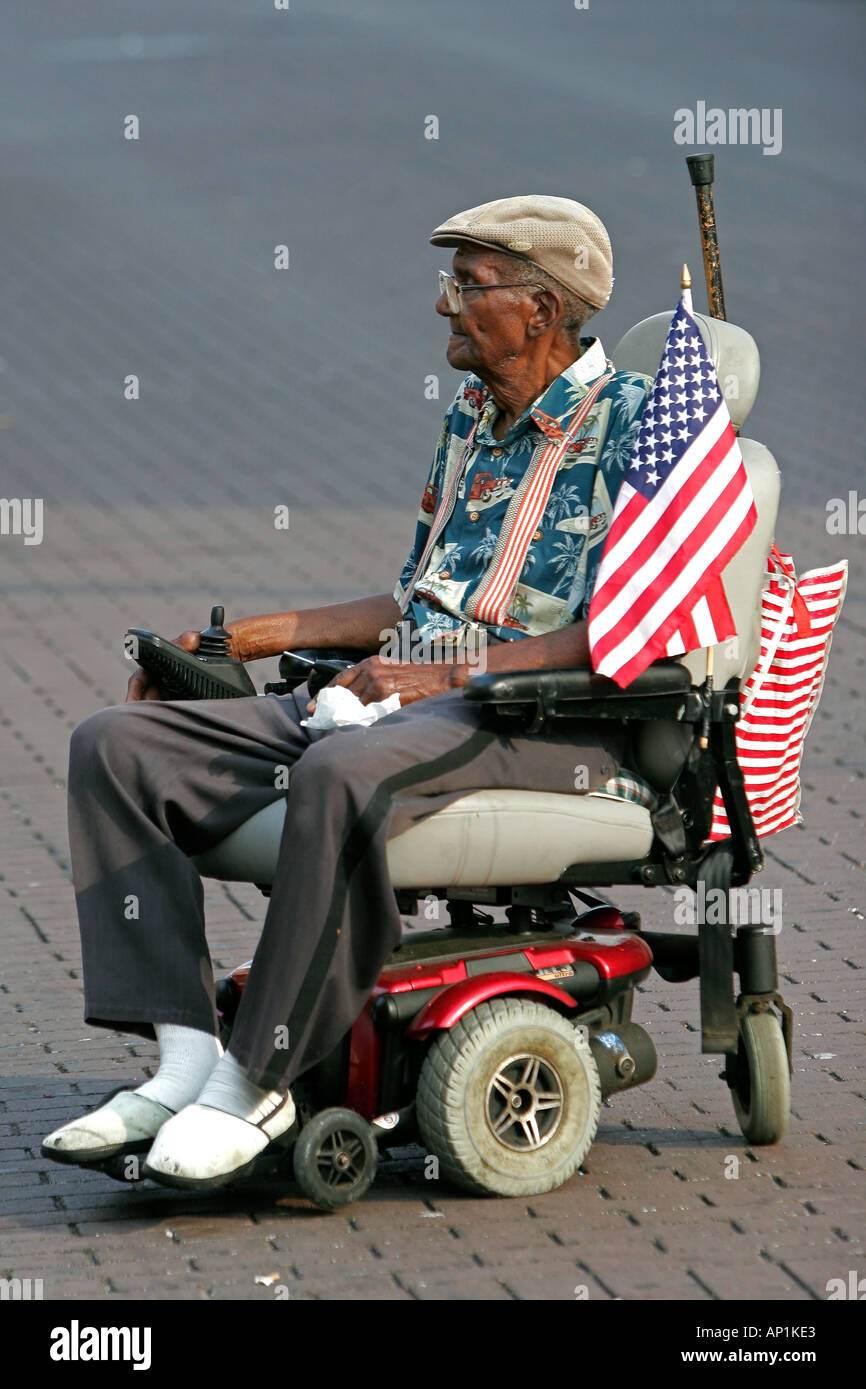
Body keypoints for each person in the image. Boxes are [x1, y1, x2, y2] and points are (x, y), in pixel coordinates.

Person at [42, 195, 652, 1189]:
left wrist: (445, 672)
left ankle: (258, 1078)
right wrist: (245, 634)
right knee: (115, 742)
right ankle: (187, 1056)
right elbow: (413, 597)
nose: (444, 305)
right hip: (400, 694)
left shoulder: (633, 427)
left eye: (469, 283)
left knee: (337, 767)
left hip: (529, 716)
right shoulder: (472, 417)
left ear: (541, 309)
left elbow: (635, 632)